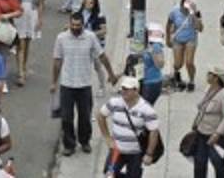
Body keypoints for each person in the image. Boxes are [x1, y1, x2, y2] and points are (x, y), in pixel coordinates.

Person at [51, 11, 119, 156]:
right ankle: (69, 144)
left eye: (78, 25)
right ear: (69, 24)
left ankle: (84, 141)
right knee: (66, 118)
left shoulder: (90, 37)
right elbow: (57, 61)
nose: (75, 28)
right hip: (67, 85)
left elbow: (102, 56)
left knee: (85, 117)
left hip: (84, 85)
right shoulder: (61, 38)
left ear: (83, 25)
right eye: (73, 25)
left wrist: (111, 74)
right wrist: (54, 82)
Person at [97, 76, 161, 177]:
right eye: (123, 88)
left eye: (127, 89)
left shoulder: (147, 109)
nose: (123, 91)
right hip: (117, 150)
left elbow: (154, 131)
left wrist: (149, 154)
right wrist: (107, 138)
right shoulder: (114, 103)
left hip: (135, 152)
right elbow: (101, 116)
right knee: (109, 174)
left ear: (136, 91)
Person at [191, 66, 224, 178]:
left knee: (218, 163)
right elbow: (202, 108)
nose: (207, 75)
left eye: (210, 74)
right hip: (202, 132)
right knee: (199, 162)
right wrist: (196, 123)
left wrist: (217, 134)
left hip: (218, 137)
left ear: (216, 78)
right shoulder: (208, 89)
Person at [167, 0, 204, 92]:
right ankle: (176, 73)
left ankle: (191, 81)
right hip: (178, 39)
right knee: (178, 64)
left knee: (189, 62)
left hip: (190, 38)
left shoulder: (196, 13)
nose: (185, 10)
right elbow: (169, 24)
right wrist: (168, 38)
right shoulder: (174, 11)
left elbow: (200, 28)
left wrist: (194, 16)